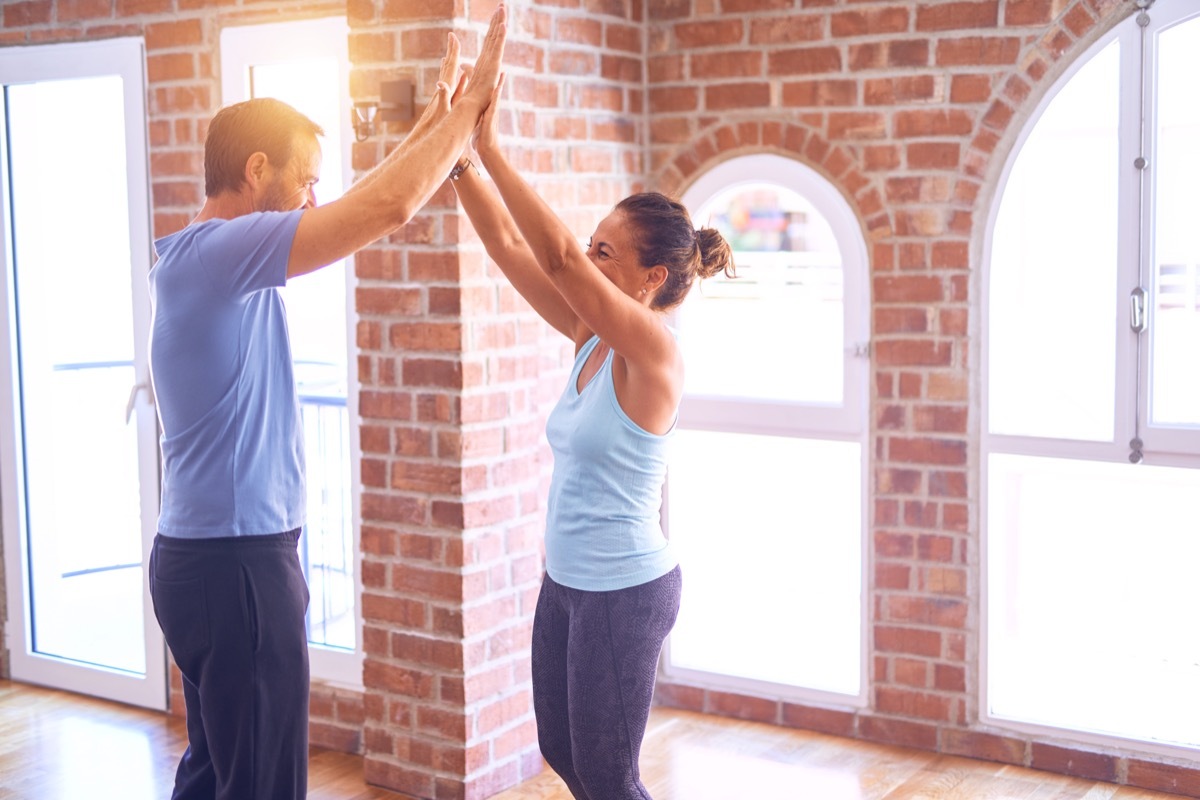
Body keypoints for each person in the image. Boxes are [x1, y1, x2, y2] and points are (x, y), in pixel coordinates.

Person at [145, 10, 506, 799]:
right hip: (236, 565)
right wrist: (469, 116)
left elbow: (373, 197)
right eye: (305, 177)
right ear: (256, 170)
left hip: (212, 561)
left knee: (217, 775)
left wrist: (435, 126)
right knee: (260, 784)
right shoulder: (221, 253)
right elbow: (384, 211)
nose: (314, 196)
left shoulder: (203, 261)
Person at [449, 77, 735, 799]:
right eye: (594, 247)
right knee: (563, 752)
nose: (590, 258)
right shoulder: (590, 336)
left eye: (607, 254)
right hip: (568, 582)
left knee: (609, 780)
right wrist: (456, 157)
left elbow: (558, 262)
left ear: (651, 280)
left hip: (625, 589)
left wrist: (491, 145)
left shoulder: (654, 354)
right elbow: (515, 247)